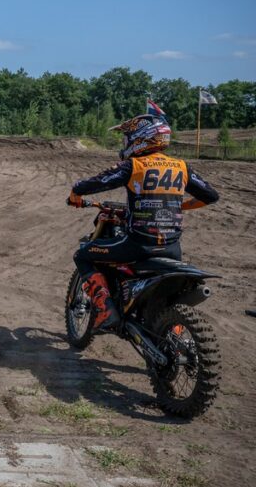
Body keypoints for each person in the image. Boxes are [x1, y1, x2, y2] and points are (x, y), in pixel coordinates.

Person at [68, 112, 219, 331]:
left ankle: (105, 309)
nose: (126, 142)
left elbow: (96, 182)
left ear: (141, 137)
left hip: (138, 245)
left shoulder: (135, 165)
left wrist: (76, 192)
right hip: (172, 248)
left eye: (128, 137)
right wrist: (181, 205)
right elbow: (211, 196)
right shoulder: (181, 166)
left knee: (82, 255)